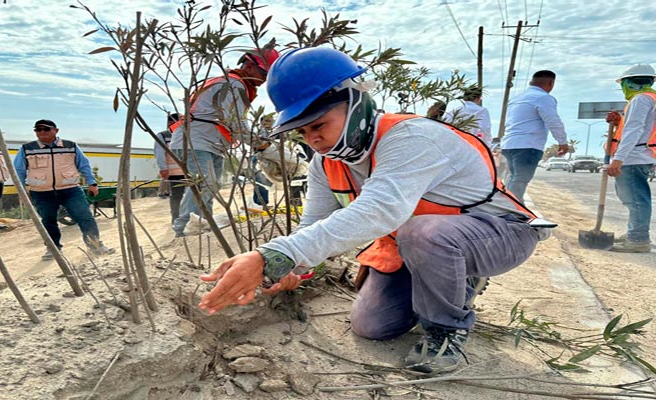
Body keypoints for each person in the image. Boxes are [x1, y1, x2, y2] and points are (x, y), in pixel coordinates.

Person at [197, 48, 549, 375]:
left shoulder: (411, 138)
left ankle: (447, 329)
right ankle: (446, 281)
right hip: (417, 245)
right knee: (372, 325)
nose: (313, 139)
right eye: (302, 132)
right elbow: (313, 225)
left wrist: (271, 256)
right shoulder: (326, 163)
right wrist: (292, 267)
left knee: (424, 233)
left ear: (355, 102)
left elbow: (380, 210)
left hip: (497, 233)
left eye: (318, 124)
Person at [169, 47, 279, 237]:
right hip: (197, 141)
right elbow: (234, 123)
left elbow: (237, 121)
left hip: (209, 142)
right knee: (205, 184)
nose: (264, 80)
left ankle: (202, 226)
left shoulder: (236, 85)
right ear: (250, 66)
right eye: (263, 73)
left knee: (211, 185)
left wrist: (259, 141)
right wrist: (261, 144)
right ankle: (185, 229)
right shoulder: (234, 85)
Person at [13, 119, 115, 260]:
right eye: (38, 130)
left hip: (70, 190)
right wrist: (21, 189)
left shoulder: (70, 146)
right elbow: (19, 170)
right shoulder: (27, 148)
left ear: (56, 130)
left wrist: (92, 182)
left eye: (46, 129)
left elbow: (83, 164)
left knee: (85, 218)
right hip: (42, 192)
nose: (42, 132)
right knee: (48, 221)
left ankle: (96, 245)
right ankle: (53, 249)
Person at [604, 64, 656, 253]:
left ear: (628, 83)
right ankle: (635, 232)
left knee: (635, 199)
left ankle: (638, 239)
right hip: (641, 155)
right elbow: (642, 127)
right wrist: (618, 122)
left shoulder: (640, 100)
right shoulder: (651, 98)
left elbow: (635, 130)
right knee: (634, 197)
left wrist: (618, 159)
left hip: (633, 156)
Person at [501, 70, 569, 201]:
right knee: (520, 179)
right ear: (551, 83)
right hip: (527, 145)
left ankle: (512, 207)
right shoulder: (543, 98)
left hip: (509, 144)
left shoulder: (516, 99)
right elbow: (553, 121)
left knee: (514, 178)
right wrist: (562, 142)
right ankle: (512, 209)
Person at [154, 113, 186, 223]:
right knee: (177, 197)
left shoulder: (186, 135)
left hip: (189, 172)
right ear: (170, 123)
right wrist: (163, 168)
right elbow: (159, 153)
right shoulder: (163, 136)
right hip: (174, 173)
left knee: (191, 197)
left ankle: (189, 218)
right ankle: (176, 220)